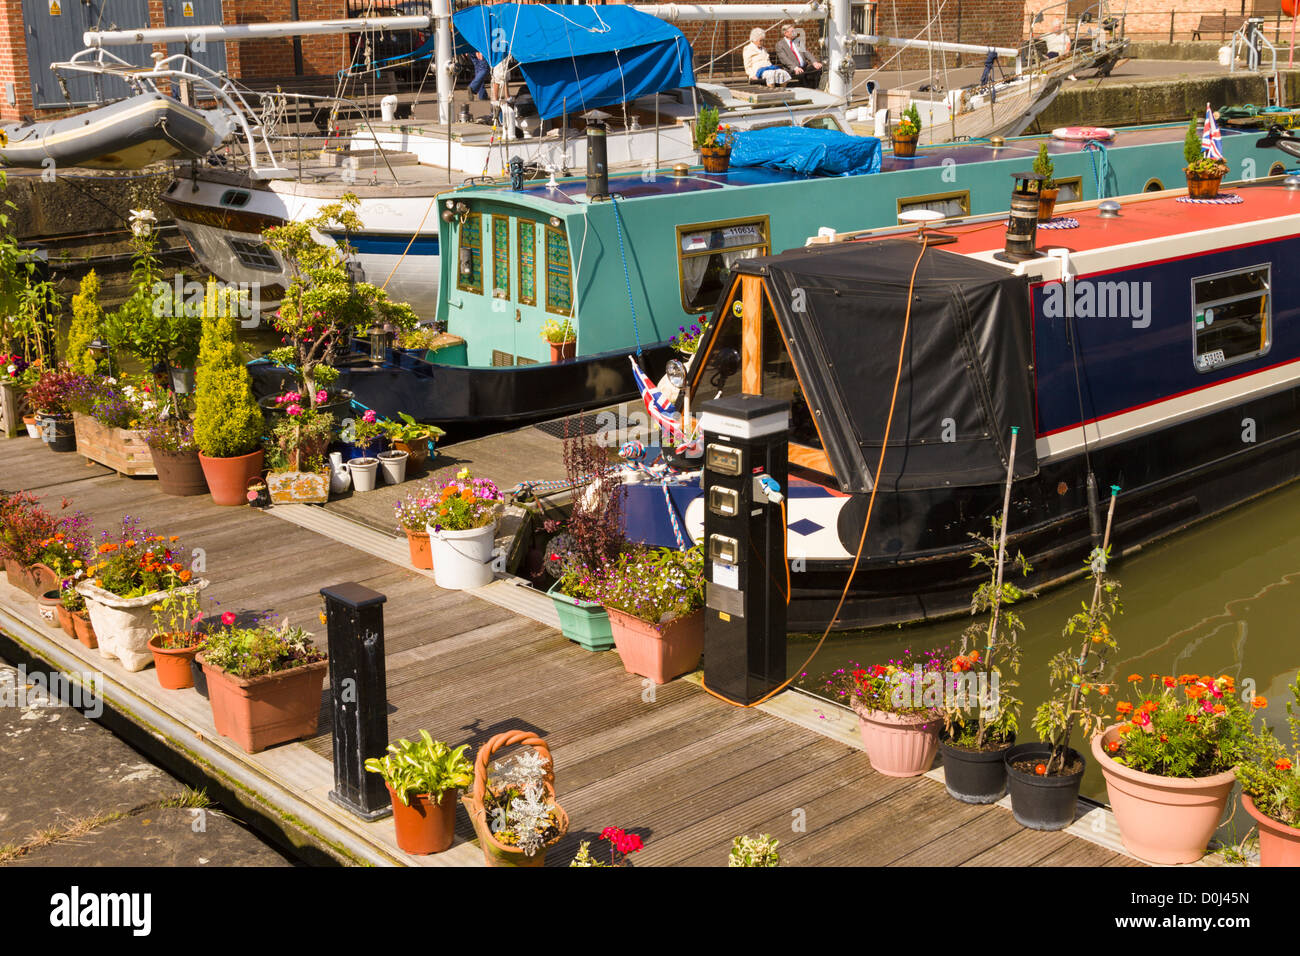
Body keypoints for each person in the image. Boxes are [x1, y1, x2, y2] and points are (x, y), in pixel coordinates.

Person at [776, 24, 823, 89]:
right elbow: (784, 59)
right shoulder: (780, 44)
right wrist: (795, 68)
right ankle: (809, 89)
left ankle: (815, 88)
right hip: (792, 69)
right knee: (802, 75)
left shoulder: (797, 41)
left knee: (819, 68)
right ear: (785, 33)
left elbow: (806, 52)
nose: (794, 33)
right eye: (792, 31)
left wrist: (814, 62)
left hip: (804, 67)